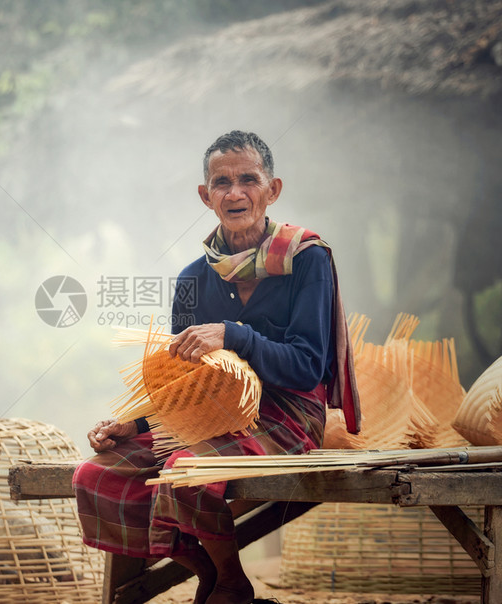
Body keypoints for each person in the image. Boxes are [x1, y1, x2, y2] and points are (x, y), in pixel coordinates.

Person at [73, 130, 360, 604]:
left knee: (186, 470)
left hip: (286, 415)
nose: (235, 192)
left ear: (274, 189)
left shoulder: (307, 261)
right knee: (95, 475)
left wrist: (234, 334)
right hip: (204, 416)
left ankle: (226, 579)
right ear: (205, 196)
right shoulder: (191, 278)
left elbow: (308, 367)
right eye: (222, 182)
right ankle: (219, 574)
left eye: (249, 179)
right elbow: (181, 382)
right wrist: (135, 422)